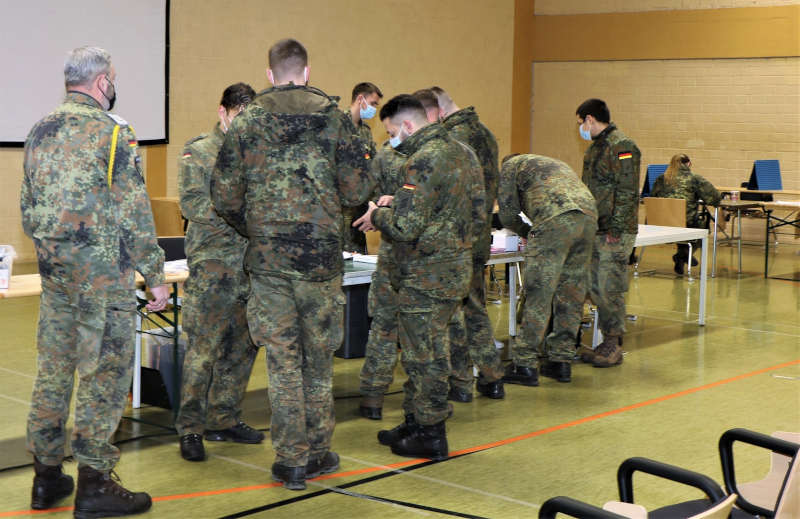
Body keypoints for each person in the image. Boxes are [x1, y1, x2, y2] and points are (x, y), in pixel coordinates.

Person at [210, 38, 374, 491]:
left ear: (269, 74)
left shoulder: (247, 124)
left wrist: (256, 227)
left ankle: (291, 460)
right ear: (305, 71)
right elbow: (358, 185)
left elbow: (223, 195)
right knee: (318, 358)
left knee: (283, 360)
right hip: (321, 260)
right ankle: (319, 451)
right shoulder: (337, 121)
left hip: (269, 262)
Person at [21, 46, 168, 517]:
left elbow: (28, 207)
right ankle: (94, 482)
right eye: (114, 78)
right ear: (102, 81)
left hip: (57, 276)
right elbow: (134, 210)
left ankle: (46, 478)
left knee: (53, 373)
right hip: (103, 280)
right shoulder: (114, 134)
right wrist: (156, 274)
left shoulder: (39, 130)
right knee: (103, 377)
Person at [355, 95, 478, 460]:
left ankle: (430, 432)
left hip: (427, 272)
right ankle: (414, 420)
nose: (392, 138)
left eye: (392, 131)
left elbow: (407, 227)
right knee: (425, 349)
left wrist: (377, 214)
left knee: (423, 356)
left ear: (408, 125)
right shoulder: (460, 151)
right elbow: (458, 206)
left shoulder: (423, 159)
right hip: (453, 267)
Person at [176, 82, 263, 463]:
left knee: (242, 348)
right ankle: (191, 428)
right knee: (203, 351)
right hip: (213, 266)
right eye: (238, 118)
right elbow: (193, 203)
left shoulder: (256, 154)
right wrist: (243, 215)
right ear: (223, 112)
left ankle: (224, 418)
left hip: (249, 265)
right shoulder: (200, 151)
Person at [417, 88, 505, 401]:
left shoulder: (450, 140)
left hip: (456, 238)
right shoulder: (486, 134)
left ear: (436, 112)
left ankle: (460, 381)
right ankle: (492, 376)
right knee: (475, 306)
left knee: (452, 315)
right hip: (479, 234)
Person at [498, 154, 597, 384]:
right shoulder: (548, 163)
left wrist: (528, 232)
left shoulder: (509, 168)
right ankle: (560, 361)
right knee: (571, 293)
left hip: (555, 220)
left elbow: (507, 215)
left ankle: (524, 363)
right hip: (589, 217)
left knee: (538, 293)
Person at [575, 98, 640, 368]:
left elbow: (627, 190)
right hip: (596, 226)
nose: (580, 128)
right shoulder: (595, 148)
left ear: (591, 119)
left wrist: (615, 226)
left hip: (614, 230)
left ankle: (613, 343)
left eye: (581, 122)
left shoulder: (622, 146)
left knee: (609, 286)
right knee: (593, 285)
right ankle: (602, 341)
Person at [357, 132, 410, 420]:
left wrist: (379, 210)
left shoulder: (385, 154)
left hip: (393, 249)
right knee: (427, 330)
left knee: (384, 325)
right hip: (426, 258)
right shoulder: (444, 155)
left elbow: (361, 192)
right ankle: (432, 399)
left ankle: (373, 397)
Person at [651, 154, 721, 275]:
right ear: (688, 164)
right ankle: (683, 255)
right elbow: (714, 198)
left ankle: (682, 255)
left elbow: (653, 198)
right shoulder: (695, 179)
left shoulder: (661, 179)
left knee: (679, 221)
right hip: (685, 223)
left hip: (662, 223)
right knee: (703, 225)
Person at [342, 82, 383, 253]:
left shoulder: (365, 131)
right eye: (373, 103)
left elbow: (372, 168)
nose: (374, 109)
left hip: (358, 210)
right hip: (339, 211)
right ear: (360, 99)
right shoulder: (336, 125)